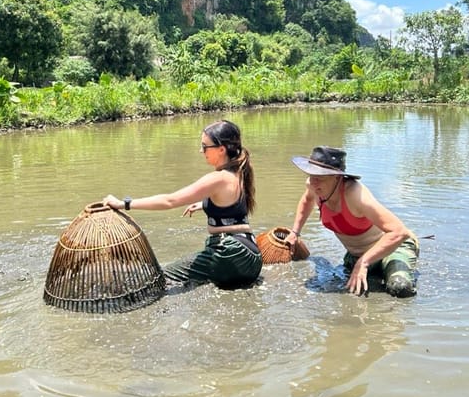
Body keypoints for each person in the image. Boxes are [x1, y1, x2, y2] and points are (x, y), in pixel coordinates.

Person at [103, 119, 262, 288]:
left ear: (221, 149)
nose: (201, 151)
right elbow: (233, 206)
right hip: (251, 258)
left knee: (160, 278)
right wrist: (205, 205)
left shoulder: (218, 178)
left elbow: (169, 201)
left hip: (230, 255)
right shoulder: (239, 171)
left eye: (205, 146)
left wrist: (123, 203)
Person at [288, 146, 418, 298]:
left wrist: (363, 262)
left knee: (400, 286)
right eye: (311, 175)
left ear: (337, 177)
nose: (313, 182)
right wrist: (295, 232)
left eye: (320, 177)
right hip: (356, 257)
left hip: (393, 250)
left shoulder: (355, 194)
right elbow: (306, 200)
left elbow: (399, 231)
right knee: (350, 291)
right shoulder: (313, 186)